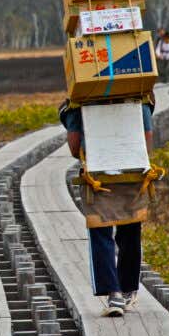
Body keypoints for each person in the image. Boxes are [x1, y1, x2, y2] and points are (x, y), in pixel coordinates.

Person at [59, 98, 154, 317]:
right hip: (132, 175)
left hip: (98, 177)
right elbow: (147, 141)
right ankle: (128, 288)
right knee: (130, 231)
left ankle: (113, 294)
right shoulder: (141, 97)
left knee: (101, 234)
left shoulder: (80, 99)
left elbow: (74, 146)